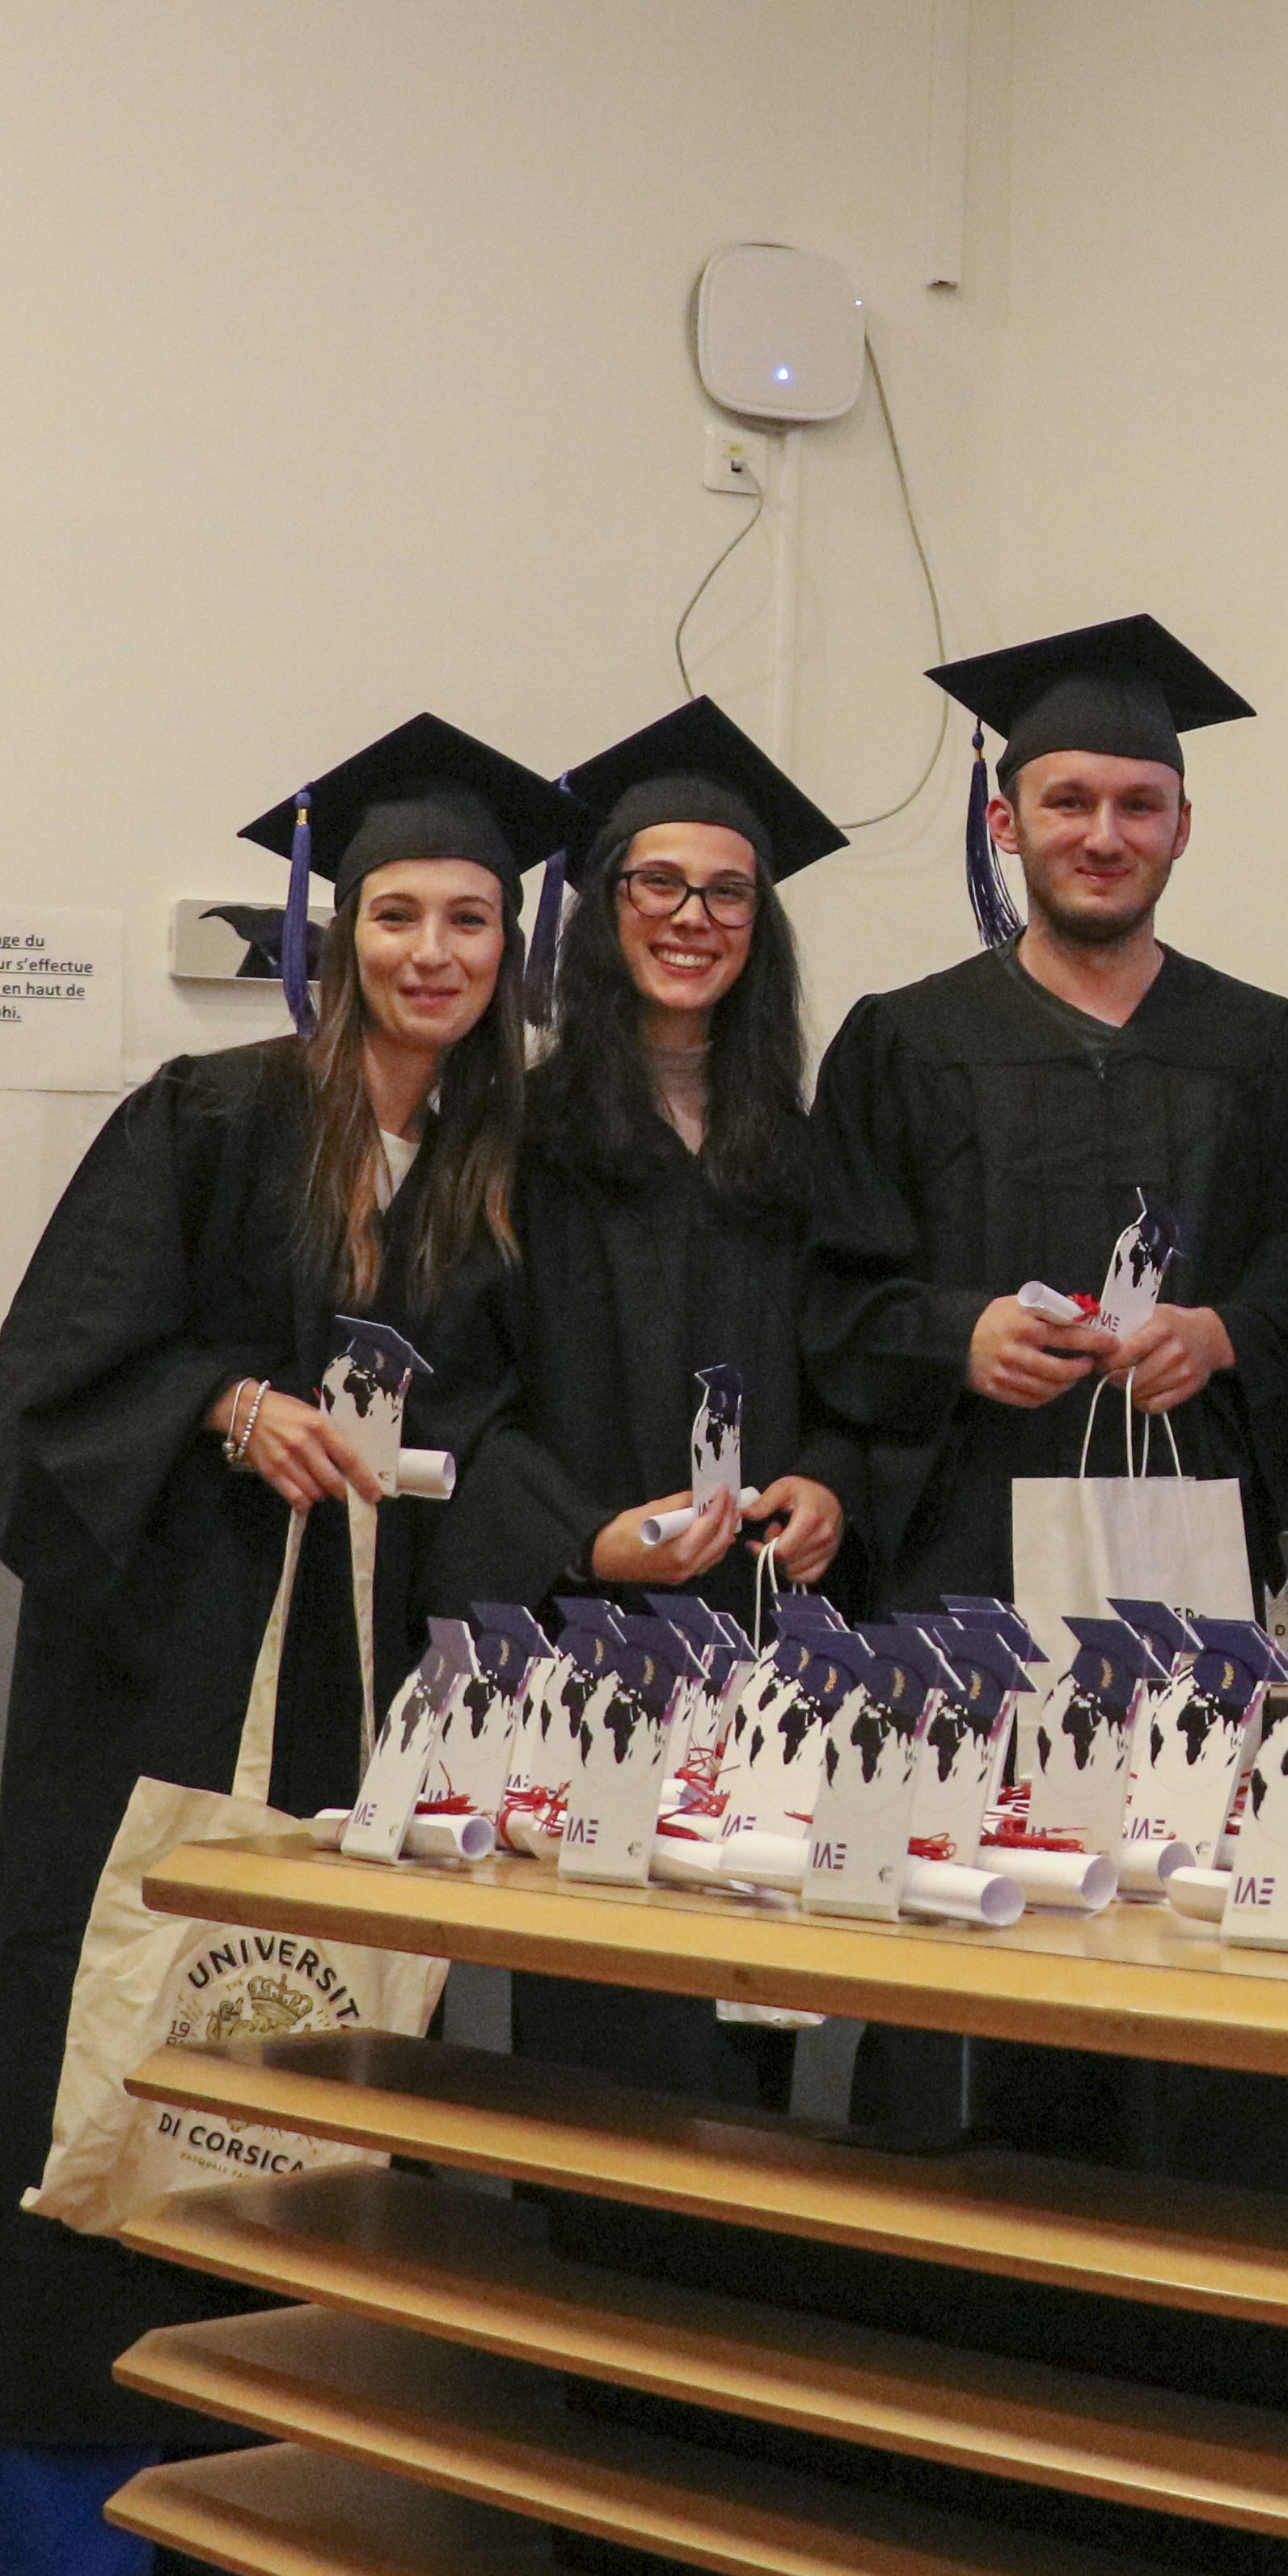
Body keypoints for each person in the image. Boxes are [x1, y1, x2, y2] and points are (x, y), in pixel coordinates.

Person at [0, 716, 584, 2576]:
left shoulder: (502, 1165)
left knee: (312, 2083)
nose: (434, 952)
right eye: (399, 914)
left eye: (470, 919)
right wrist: (229, 1404)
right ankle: (79, 2551)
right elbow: (62, 1368)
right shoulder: (209, 1116)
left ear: (510, 946)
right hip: (164, 1667)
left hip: (367, 1690)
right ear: (336, 929)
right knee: (117, 2064)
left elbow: (514, 1426)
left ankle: (280, 2514)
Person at [796, 615, 1288, 2182]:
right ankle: (938, 2284)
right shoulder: (905, 1043)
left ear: (1182, 824)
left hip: (1185, 1584)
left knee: (1179, 1942)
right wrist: (954, 1333)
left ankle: (1184, 2290)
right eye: (1068, 801)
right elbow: (827, 1296)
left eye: (1137, 803)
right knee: (957, 1957)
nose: (1103, 832)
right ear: (1007, 819)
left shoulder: (1267, 1048)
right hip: (960, 1574)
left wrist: (1226, 1335)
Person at [453, 694, 860, 2104]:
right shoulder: (517, 1138)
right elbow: (465, 1395)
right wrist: (583, 1539)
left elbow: (857, 1361)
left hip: (763, 1640)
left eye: (728, 891)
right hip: (587, 1642)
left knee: (747, 2038)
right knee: (604, 2040)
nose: (695, 917)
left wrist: (829, 1481)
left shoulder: (797, 1150)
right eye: (659, 884)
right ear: (603, 908)